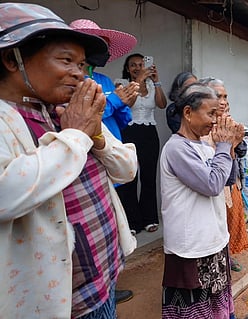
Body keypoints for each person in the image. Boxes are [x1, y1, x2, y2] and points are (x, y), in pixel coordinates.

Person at [0, 3, 137, 318]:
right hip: (61, 304)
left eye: (82, 64)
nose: (80, 72)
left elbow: (127, 169)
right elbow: (6, 196)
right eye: (66, 60)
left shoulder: (72, 110)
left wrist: (96, 136)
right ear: (11, 59)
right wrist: (75, 136)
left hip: (104, 278)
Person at [70, 18, 140, 305]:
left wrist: (125, 101)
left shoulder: (106, 81)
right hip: (85, 157)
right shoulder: (74, 80)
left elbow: (123, 119)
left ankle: (110, 283)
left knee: (110, 218)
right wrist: (113, 102)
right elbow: (87, 112)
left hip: (112, 155)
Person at [160, 83, 242, 318]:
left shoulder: (204, 144)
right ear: (187, 113)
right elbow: (212, 184)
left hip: (213, 239)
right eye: (210, 114)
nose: (215, 121)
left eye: (218, 114)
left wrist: (230, 147)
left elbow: (227, 178)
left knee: (217, 305)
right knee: (196, 308)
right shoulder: (177, 148)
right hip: (191, 247)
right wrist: (225, 146)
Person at [200, 77, 248, 272]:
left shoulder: (228, 121)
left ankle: (227, 257)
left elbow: (241, 151)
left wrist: (235, 140)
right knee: (215, 227)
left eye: (225, 96)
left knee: (230, 224)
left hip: (230, 182)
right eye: (218, 96)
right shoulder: (202, 126)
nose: (223, 101)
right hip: (214, 185)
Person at [116, 53, 167, 235]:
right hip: (128, 132)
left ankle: (149, 218)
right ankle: (131, 221)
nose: (137, 67)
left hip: (149, 133)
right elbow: (126, 104)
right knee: (130, 176)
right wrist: (138, 80)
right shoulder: (121, 84)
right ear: (127, 69)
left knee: (148, 176)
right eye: (133, 65)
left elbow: (162, 104)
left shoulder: (152, 85)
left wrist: (157, 81)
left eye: (140, 64)